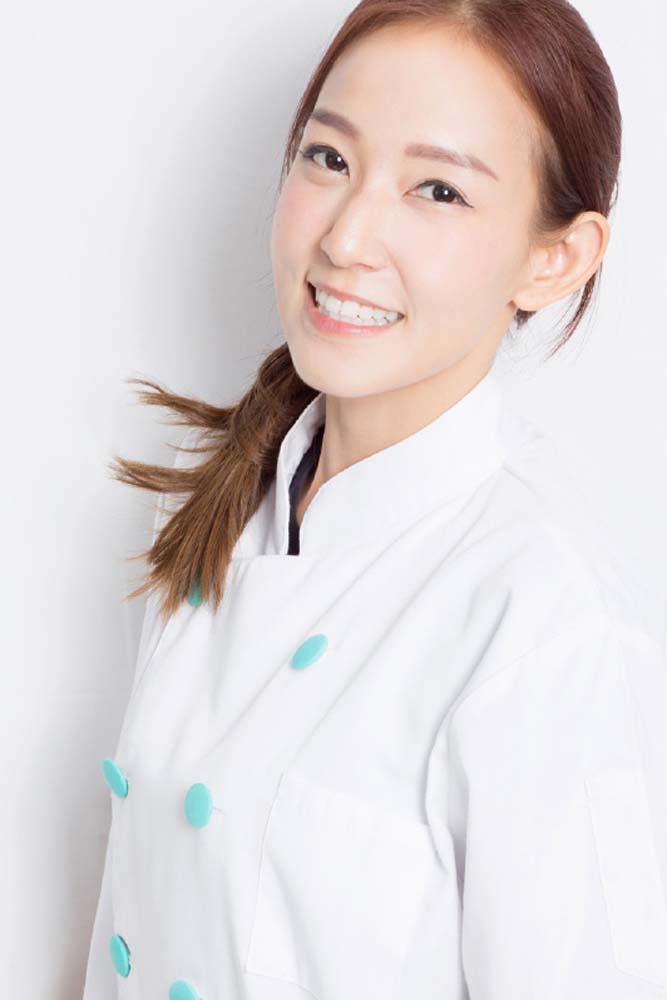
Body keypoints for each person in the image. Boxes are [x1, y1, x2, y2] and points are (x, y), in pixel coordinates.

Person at [83, 1, 667, 998]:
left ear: (554, 258)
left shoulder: (549, 621)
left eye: (438, 189)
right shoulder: (212, 503)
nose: (348, 237)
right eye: (329, 158)